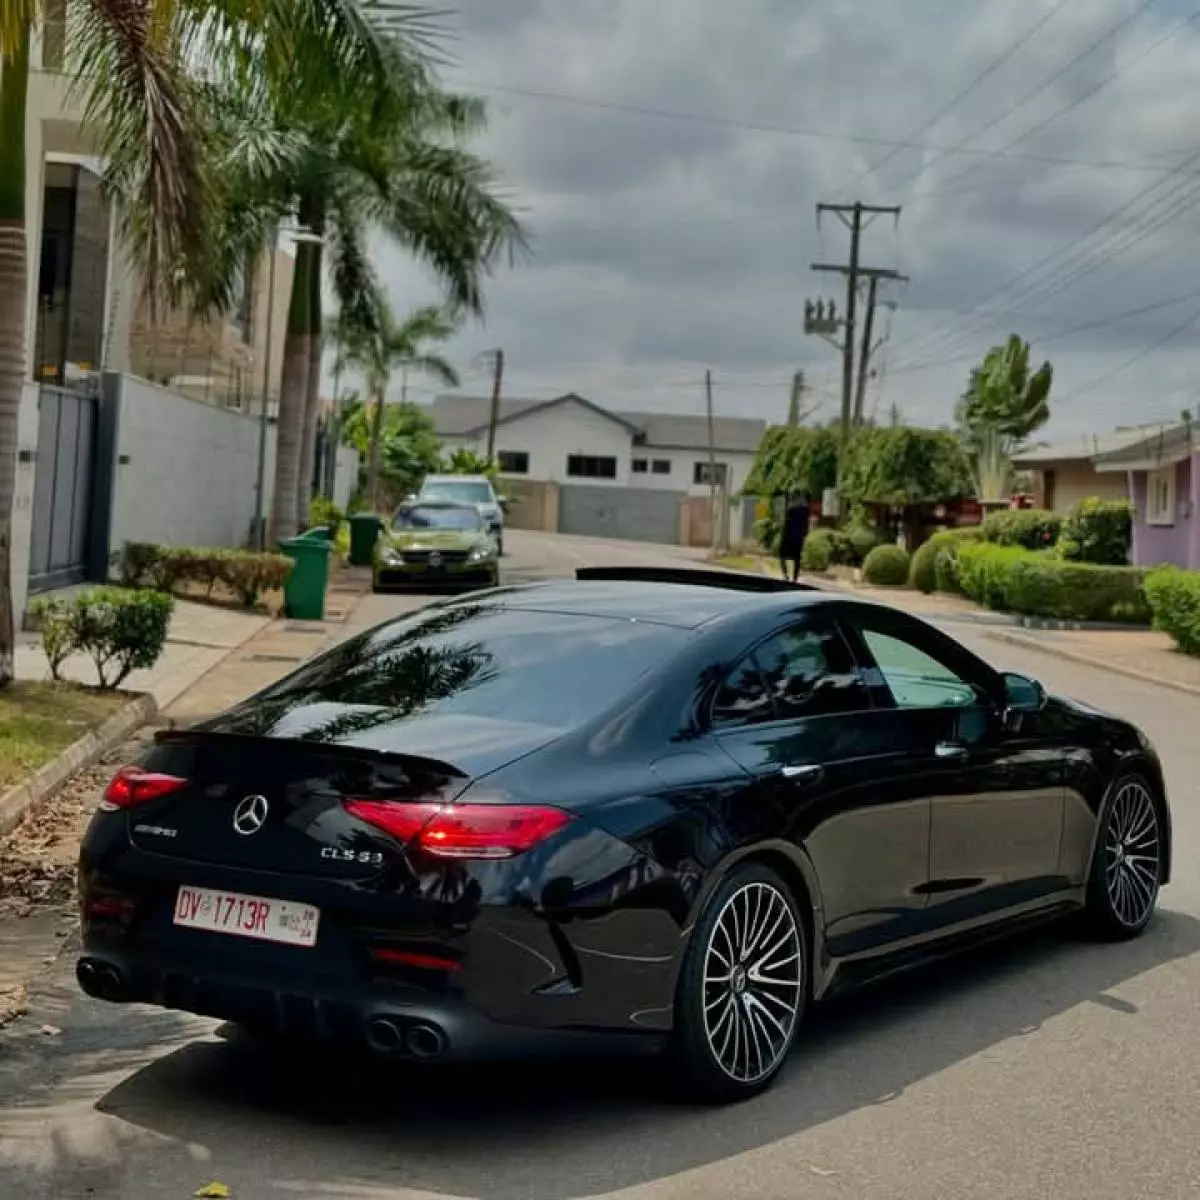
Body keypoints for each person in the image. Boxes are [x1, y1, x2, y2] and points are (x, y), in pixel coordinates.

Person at [778, 492, 811, 582]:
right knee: (797, 559)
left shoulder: (790, 510)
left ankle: (785, 575)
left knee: (782, 556)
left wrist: (782, 536)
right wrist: (805, 535)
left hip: (789, 537)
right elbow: (806, 525)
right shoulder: (805, 510)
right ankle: (794, 578)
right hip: (799, 537)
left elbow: (785, 525)